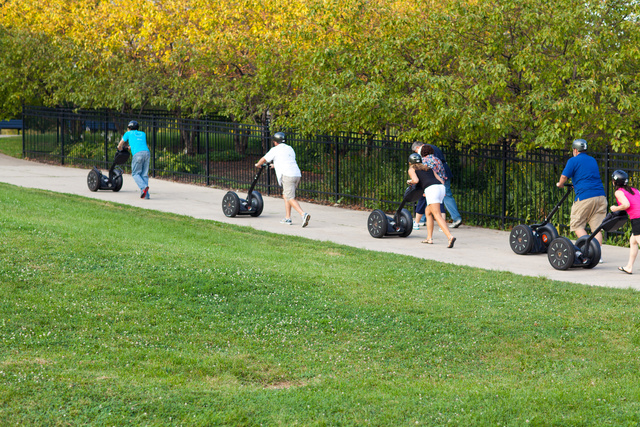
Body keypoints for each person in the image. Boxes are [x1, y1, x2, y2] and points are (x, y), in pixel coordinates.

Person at [556, 138, 607, 247]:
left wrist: (560, 184)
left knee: (577, 225)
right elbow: (587, 176)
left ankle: (590, 250)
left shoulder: (573, 161)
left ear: (575, 150)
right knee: (596, 229)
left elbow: (564, 176)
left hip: (585, 197)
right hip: (600, 197)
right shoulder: (592, 160)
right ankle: (598, 255)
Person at [255, 132, 310, 227]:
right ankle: (287, 218)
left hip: (287, 175)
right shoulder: (290, 148)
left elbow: (264, 159)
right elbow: (286, 161)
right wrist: (275, 165)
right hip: (296, 174)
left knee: (290, 197)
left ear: (275, 142)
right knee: (286, 195)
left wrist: (257, 164)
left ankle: (303, 214)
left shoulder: (275, 149)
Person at [407, 153, 456, 248]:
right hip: (441, 188)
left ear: (410, 163)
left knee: (437, 215)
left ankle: (450, 237)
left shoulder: (412, 169)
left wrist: (409, 181)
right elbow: (441, 181)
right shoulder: (428, 168)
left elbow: (416, 180)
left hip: (431, 189)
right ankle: (429, 238)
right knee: (428, 211)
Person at [410, 141, 462, 230]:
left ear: (418, 148)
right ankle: (423, 219)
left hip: (435, 180)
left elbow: (428, 170)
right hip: (442, 176)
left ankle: (456, 218)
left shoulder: (426, 156)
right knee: (438, 198)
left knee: (443, 197)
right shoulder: (433, 151)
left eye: (416, 151)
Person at [610, 170, 640, 274]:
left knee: (638, 240)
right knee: (633, 241)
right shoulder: (634, 190)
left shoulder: (618, 192)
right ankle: (629, 267)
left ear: (615, 182)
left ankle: (629, 267)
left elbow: (626, 204)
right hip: (638, 217)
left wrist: (615, 208)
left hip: (637, 218)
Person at [118, 120, 151, 199]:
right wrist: (130, 147)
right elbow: (139, 143)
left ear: (129, 128)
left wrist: (119, 148)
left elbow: (120, 143)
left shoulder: (128, 133)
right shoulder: (143, 134)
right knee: (144, 174)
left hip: (138, 154)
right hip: (146, 153)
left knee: (135, 174)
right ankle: (146, 195)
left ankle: (143, 187)